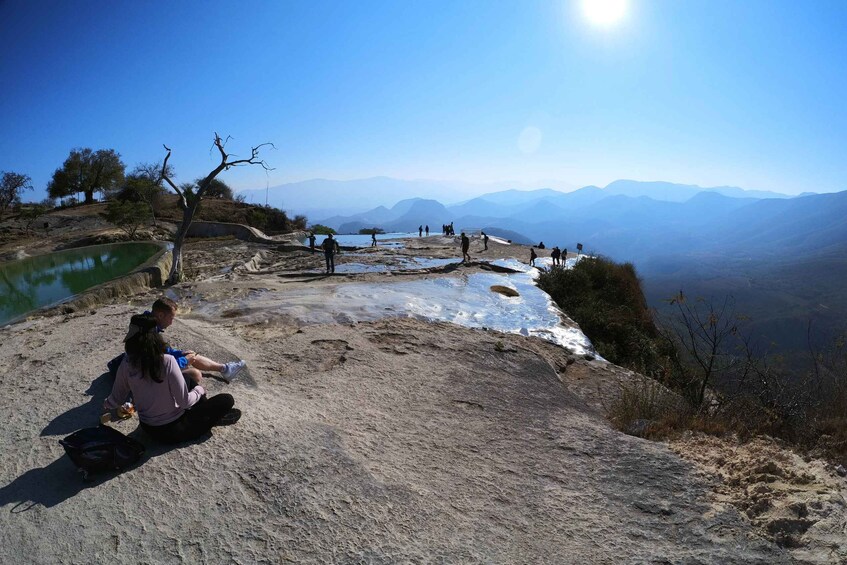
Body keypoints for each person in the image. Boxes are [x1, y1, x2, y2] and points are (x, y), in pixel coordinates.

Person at [104, 313, 241, 444]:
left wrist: (106, 404)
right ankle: (209, 417)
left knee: (187, 379)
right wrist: (199, 391)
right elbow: (185, 402)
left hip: (148, 427)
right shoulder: (167, 361)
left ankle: (205, 413)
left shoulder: (127, 363)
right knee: (227, 399)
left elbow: (116, 398)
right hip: (174, 430)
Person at [150, 298, 246, 384]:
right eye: (171, 318)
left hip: (154, 370)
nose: (171, 323)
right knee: (195, 374)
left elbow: (164, 352)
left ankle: (225, 369)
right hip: (150, 378)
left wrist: (181, 353)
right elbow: (158, 369)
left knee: (190, 355)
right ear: (161, 315)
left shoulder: (147, 325)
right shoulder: (147, 334)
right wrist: (184, 361)